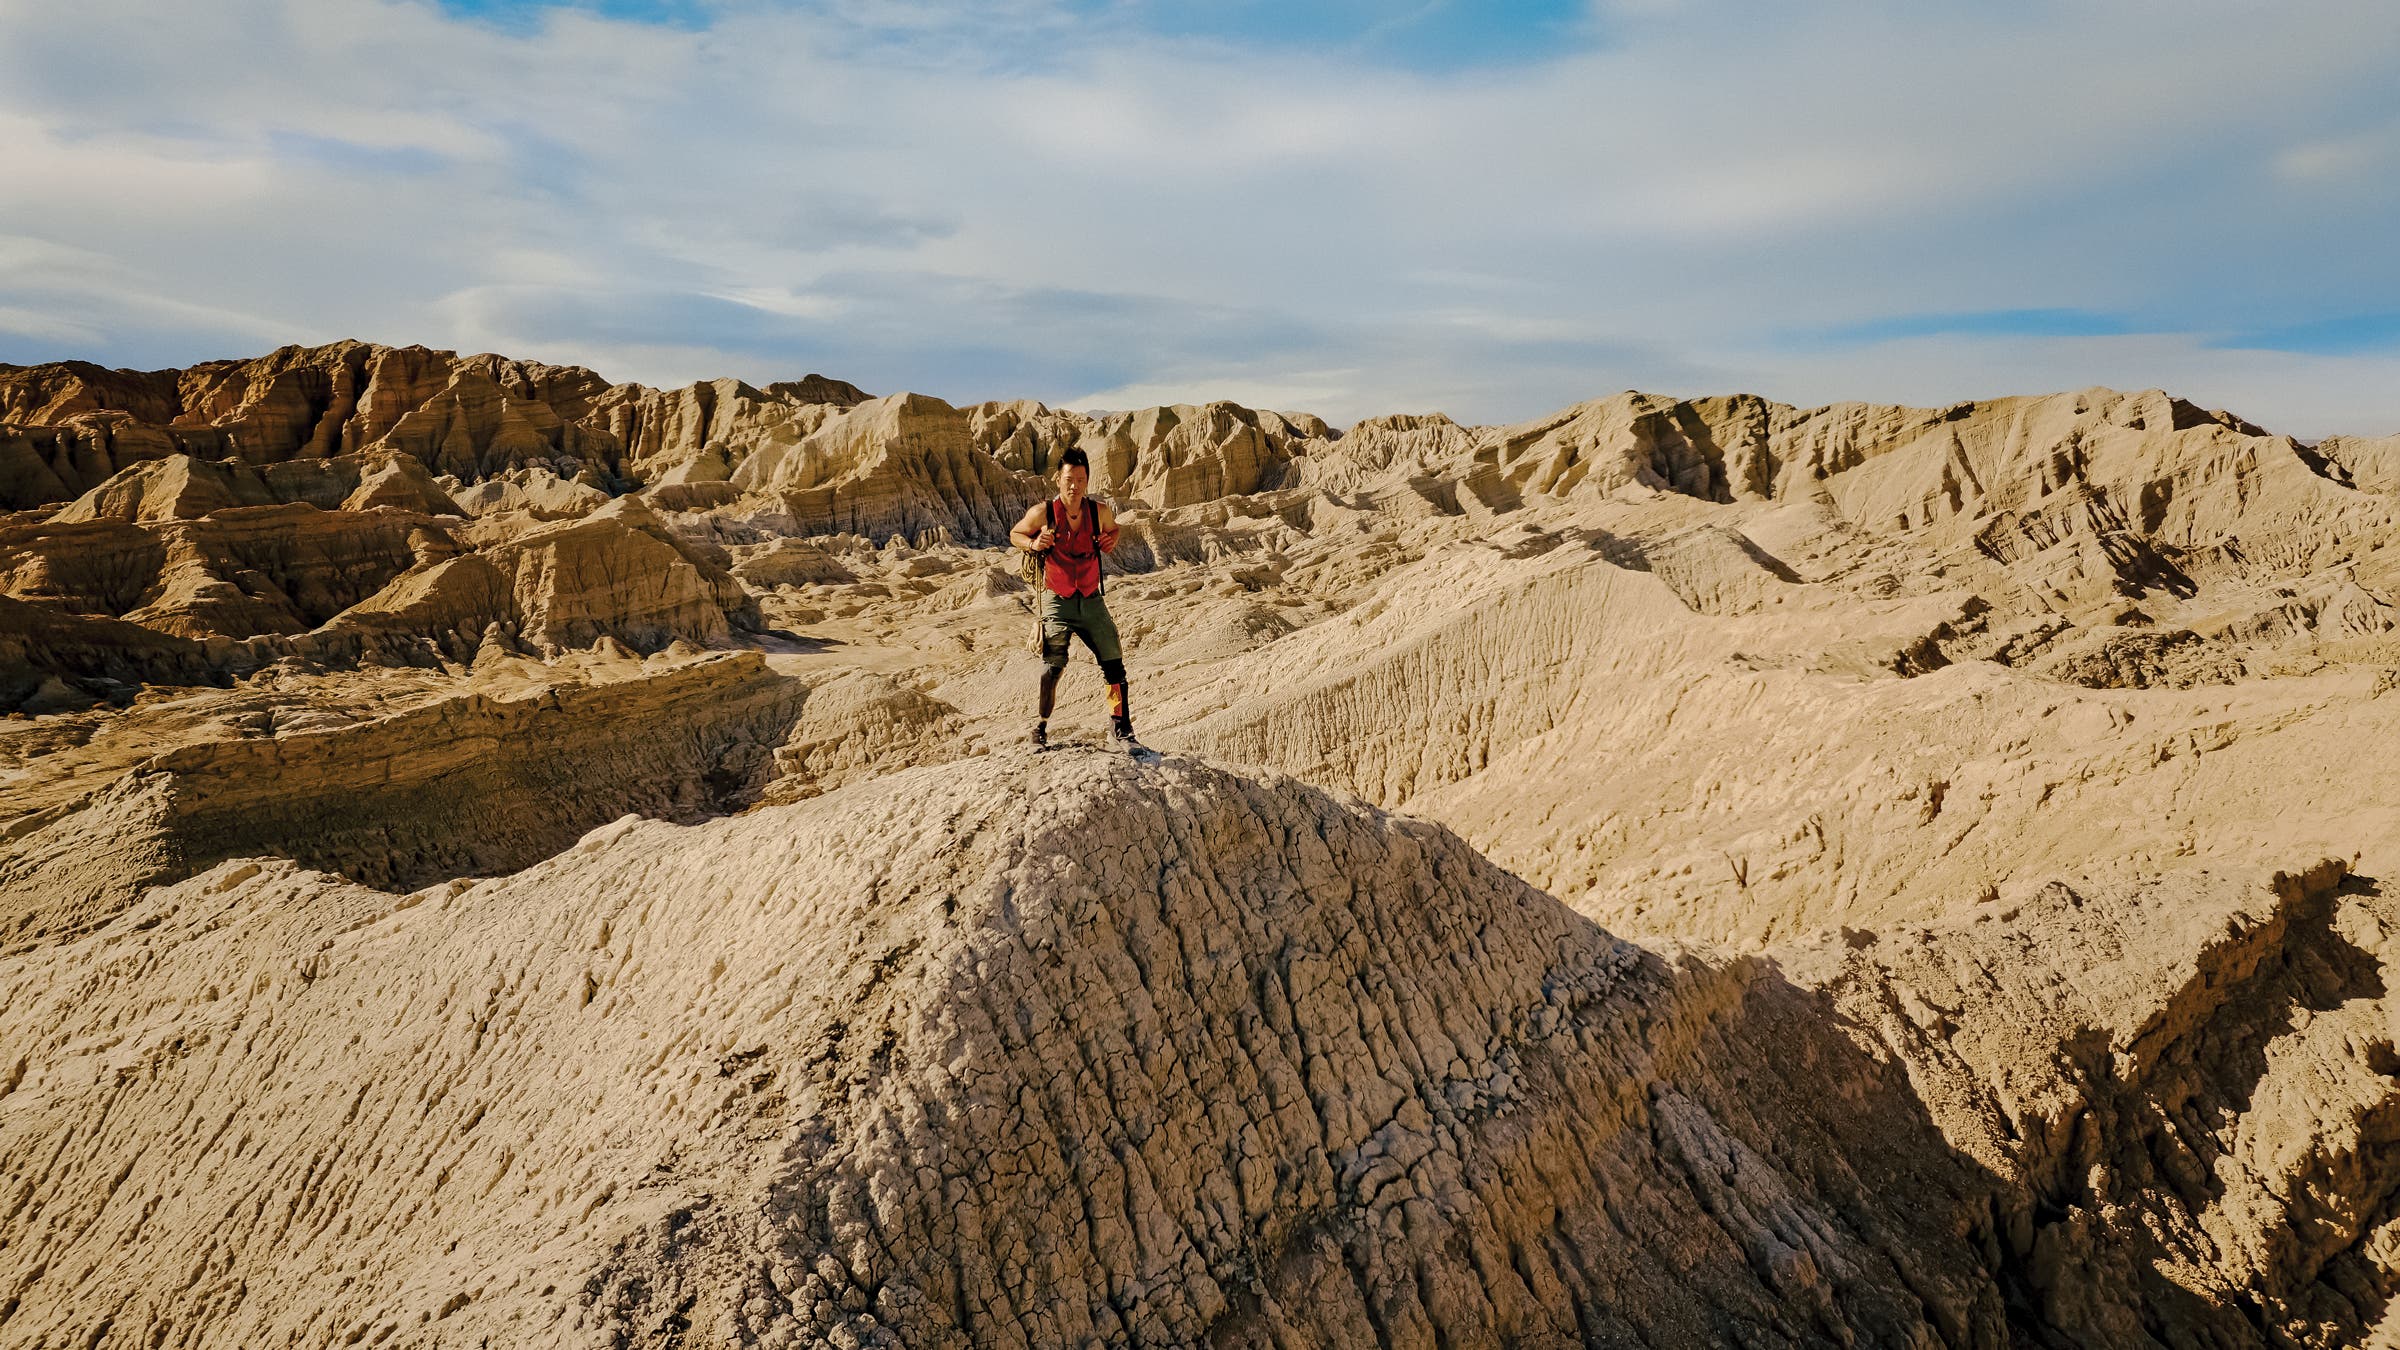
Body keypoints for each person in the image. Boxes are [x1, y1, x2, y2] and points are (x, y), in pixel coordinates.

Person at [1010, 447, 1136, 751]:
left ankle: (1120, 727)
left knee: (1114, 663)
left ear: (1087, 481)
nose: (1074, 485)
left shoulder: (1099, 511)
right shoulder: (1044, 512)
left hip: (1091, 599)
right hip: (1058, 599)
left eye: (1080, 479)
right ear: (1058, 479)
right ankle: (1039, 728)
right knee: (1052, 666)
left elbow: (1115, 530)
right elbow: (1015, 534)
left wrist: (1110, 540)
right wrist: (1033, 542)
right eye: (1069, 479)